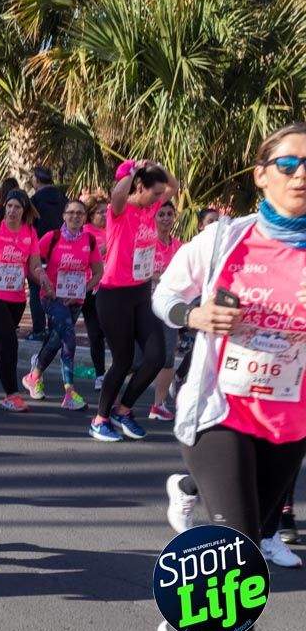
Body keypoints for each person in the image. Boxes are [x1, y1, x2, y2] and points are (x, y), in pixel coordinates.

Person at [152, 122, 306, 631]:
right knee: (239, 553)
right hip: (219, 413)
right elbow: (165, 293)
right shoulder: (223, 240)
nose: (301, 174)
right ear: (262, 176)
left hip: (290, 423)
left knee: (237, 553)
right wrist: (194, 315)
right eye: (288, 165)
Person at [91, 160, 178, 442]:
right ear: (139, 187)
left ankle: (124, 409)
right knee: (123, 359)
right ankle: (100, 419)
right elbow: (117, 196)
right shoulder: (120, 211)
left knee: (157, 356)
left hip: (140, 293)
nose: (158, 200)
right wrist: (131, 169)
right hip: (114, 295)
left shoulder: (150, 208)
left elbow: (173, 187)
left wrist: (157, 166)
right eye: (154, 194)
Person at [0, 188, 50, 412]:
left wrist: (41, 276)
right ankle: (11, 394)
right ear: (3, 207)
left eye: (17, 207)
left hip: (15, 299)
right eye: (9, 206)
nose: (12, 211)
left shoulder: (29, 233)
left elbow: (33, 265)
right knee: (9, 341)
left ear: (24, 211)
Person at [21, 199, 102, 411]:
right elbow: (33, 264)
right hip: (51, 298)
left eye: (80, 213)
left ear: (85, 217)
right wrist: (45, 284)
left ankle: (34, 375)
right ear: (64, 216)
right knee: (69, 338)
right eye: (71, 213)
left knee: (56, 340)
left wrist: (83, 288)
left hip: (75, 300)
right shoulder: (52, 237)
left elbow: (98, 273)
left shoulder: (89, 240)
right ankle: (69, 392)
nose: (75, 216)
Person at [147, 200, 183, 421]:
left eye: (170, 214)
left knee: (168, 356)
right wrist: (162, 278)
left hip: (170, 306)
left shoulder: (179, 246)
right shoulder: (146, 243)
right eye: (161, 214)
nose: (166, 218)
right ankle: (118, 403)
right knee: (138, 358)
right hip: (146, 305)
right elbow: (140, 270)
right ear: (154, 218)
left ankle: (158, 405)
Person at [27, 167, 68, 342]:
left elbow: (29, 225)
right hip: (61, 251)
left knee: (36, 291)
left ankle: (38, 330)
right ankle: (54, 329)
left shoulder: (34, 200)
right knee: (56, 290)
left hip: (38, 250)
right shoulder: (63, 198)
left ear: (36, 180)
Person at [82, 197, 109, 389]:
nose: (105, 215)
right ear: (91, 215)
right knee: (95, 333)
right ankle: (100, 374)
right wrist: (104, 249)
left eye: (106, 211)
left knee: (109, 331)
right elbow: (83, 255)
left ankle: (107, 372)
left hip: (110, 287)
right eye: (100, 211)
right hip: (88, 287)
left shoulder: (112, 230)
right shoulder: (86, 232)